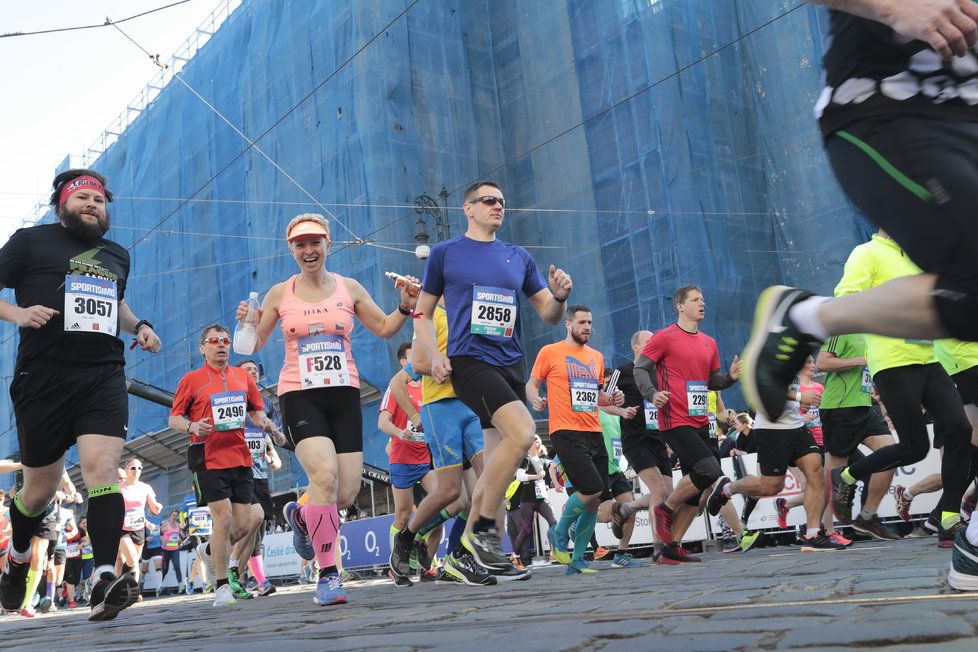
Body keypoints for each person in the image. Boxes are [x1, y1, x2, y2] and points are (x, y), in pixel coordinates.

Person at [0, 168, 162, 621]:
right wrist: (18, 313)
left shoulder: (117, 254)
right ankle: (15, 557)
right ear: (62, 206)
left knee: (103, 469)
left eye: (99, 199)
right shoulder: (30, 241)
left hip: (102, 372)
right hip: (42, 376)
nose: (92, 204)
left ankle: (105, 577)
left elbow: (118, 305)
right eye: (82, 198)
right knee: (39, 490)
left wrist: (141, 326)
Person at [237, 213, 419, 606]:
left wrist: (404, 307)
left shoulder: (348, 288)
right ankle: (328, 575)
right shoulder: (279, 294)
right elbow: (250, 347)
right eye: (300, 244)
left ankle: (302, 515)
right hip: (299, 395)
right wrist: (248, 324)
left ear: (328, 245)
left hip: (343, 395)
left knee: (345, 493)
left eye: (315, 243)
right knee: (323, 476)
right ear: (291, 249)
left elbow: (386, 327)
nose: (308, 250)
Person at [413, 182, 572, 577]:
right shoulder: (445, 254)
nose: (497, 206)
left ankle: (470, 555)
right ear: (468, 208)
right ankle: (481, 530)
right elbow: (422, 313)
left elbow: (548, 314)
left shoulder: (517, 256)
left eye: (502, 201)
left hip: (510, 364)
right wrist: (434, 354)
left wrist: (560, 297)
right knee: (522, 433)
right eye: (489, 200)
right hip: (469, 361)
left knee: (499, 461)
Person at [825, 233, 969, 544]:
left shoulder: (917, 257)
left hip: (930, 359)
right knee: (915, 447)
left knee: (960, 428)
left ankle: (949, 519)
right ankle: (847, 476)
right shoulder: (867, 253)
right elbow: (846, 297)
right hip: (893, 364)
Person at [386, 297, 494, 586]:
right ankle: (408, 537)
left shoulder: (475, 317)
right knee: (449, 493)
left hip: (470, 410)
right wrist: (413, 415)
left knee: (488, 484)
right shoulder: (430, 317)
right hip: (439, 412)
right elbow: (407, 374)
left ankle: (460, 556)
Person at [168, 324, 277, 606]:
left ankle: (208, 549)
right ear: (202, 348)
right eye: (213, 341)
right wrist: (192, 425)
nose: (221, 345)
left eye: (225, 341)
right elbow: (174, 419)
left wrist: (264, 422)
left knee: (244, 525)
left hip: (240, 458)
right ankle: (221, 587)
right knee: (224, 519)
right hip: (207, 457)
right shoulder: (192, 380)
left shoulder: (242, 377)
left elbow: (255, 409)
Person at [634, 286, 740, 563]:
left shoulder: (709, 342)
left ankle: (670, 549)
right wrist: (652, 393)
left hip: (701, 420)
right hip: (674, 418)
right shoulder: (664, 337)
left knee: (700, 489)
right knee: (709, 470)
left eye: (703, 299)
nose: (702, 303)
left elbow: (712, 382)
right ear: (680, 306)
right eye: (695, 299)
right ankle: (666, 508)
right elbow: (640, 368)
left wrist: (730, 377)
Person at [526, 305, 624, 575]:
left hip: (594, 431)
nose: (587, 327)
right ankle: (559, 532)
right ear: (568, 325)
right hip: (566, 431)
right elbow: (531, 384)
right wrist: (534, 397)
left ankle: (578, 560)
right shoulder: (550, 352)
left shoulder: (596, 357)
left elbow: (598, 396)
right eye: (582, 322)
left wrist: (614, 400)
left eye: (590, 322)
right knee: (591, 488)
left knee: (596, 499)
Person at [708, 377, 847, 551]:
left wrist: (799, 405)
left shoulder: (796, 354)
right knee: (771, 486)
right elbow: (767, 388)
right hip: (772, 428)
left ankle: (813, 534)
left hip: (797, 425)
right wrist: (799, 398)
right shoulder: (769, 352)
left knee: (817, 473)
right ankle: (728, 488)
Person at [380, 342, 437, 586]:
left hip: (425, 458)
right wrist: (399, 433)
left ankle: (427, 564)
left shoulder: (429, 387)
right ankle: (397, 568)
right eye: (414, 356)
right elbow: (383, 423)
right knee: (402, 515)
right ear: (404, 363)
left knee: (442, 501)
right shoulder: (396, 388)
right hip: (402, 459)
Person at [240, 360, 283, 597]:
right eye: (248, 370)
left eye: (256, 370)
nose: (253, 373)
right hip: (238, 473)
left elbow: (276, 441)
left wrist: (273, 456)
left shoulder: (265, 404)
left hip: (260, 476)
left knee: (261, 526)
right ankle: (260, 580)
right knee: (250, 528)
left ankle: (238, 572)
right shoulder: (232, 398)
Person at [117, 458, 162, 591]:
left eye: (139, 468)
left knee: (134, 561)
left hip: (138, 528)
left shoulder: (145, 487)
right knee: (129, 557)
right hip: (121, 527)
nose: (136, 470)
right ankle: (124, 587)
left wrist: (157, 507)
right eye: (133, 468)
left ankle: (131, 591)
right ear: (126, 470)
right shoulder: (119, 487)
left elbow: (154, 507)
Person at [512, 438, 557, 568]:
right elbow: (519, 476)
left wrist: (547, 484)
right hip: (527, 499)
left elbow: (552, 469)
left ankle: (555, 552)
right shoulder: (525, 459)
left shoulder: (543, 461)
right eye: (535, 440)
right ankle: (515, 556)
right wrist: (536, 477)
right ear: (530, 444)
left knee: (553, 523)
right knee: (526, 529)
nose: (538, 442)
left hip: (541, 499)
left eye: (539, 441)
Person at [158, 510, 186, 595]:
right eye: (173, 515)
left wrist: (181, 540)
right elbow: (159, 534)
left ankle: (181, 587)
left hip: (175, 549)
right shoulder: (165, 524)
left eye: (176, 515)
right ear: (170, 516)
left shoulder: (178, 526)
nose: (175, 517)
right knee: (165, 569)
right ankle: (159, 587)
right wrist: (162, 539)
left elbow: (182, 537)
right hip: (165, 550)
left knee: (177, 567)